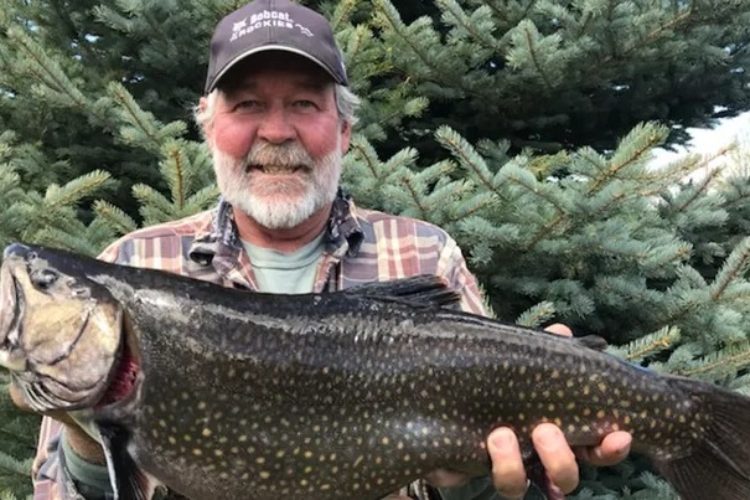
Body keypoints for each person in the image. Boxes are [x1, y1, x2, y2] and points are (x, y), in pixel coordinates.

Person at [17, 0, 632, 498]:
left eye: (304, 104)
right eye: (248, 104)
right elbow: (56, 492)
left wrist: (472, 482)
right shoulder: (130, 265)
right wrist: (86, 435)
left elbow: (474, 456)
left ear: (342, 129)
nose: (277, 131)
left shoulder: (424, 254)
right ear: (210, 128)